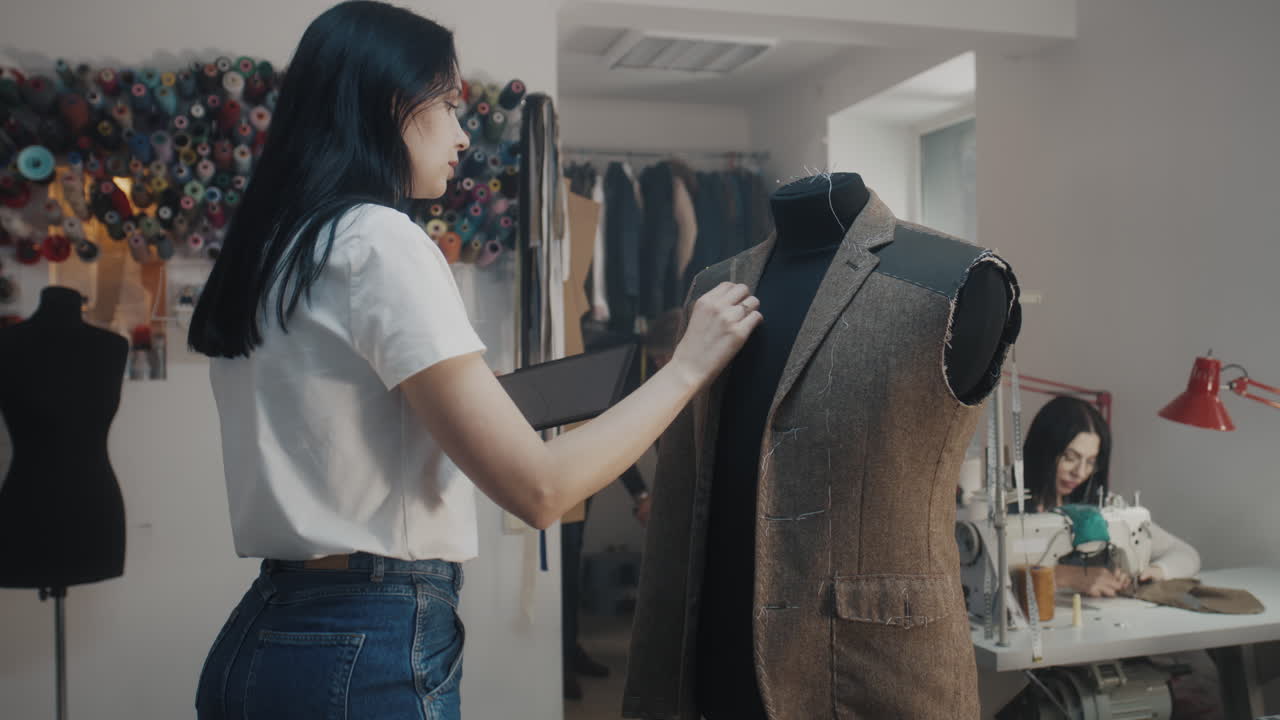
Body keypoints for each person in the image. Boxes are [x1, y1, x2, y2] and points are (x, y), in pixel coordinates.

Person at [185, 3, 761, 719]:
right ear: (392, 100)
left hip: (267, 636)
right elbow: (542, 490)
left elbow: (355, 425)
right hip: (361, 644)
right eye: (451, 105)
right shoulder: (379, 240)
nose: (463, 136)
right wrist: (687, 367)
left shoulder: (279, 250)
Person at [1022, 396, 1200, 598]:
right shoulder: (1004, 508)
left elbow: (1187, 554)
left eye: (1090, 462)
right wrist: (1064, 576)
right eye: (1069, 458)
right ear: (1043, 451)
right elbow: (992, 579)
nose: (1080, 473)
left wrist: (1157, 571)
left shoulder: (1105, 506)